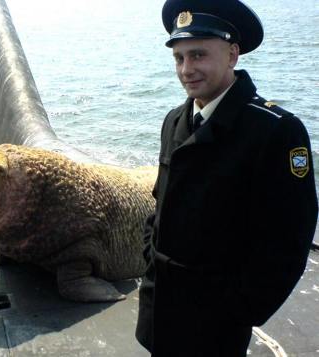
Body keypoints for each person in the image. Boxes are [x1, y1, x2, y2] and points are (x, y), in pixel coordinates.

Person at [135, 0, 318, 356]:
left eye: (199, 55)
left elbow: (289, 240)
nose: (187, 69)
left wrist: (241, 309)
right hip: (159, 309)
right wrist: (150, 256)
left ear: (233, 54)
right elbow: (161, 203)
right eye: (179, 58)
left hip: (215, 322)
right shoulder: (175, 120)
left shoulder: (275, 131)